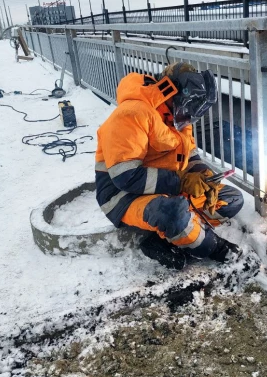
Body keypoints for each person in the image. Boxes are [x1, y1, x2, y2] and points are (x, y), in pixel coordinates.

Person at [95, 62, 244, 269]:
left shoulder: (179, 117)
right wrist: (182, 182)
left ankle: (160, 238)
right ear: (170, 90)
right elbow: (126, 177)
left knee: (232, 199)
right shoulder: (132, 114)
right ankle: (211, 247)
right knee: (171, 212)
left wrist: (203, 176)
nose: (189, 114)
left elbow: (191, 156)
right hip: (124, 196)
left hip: (168, 189)